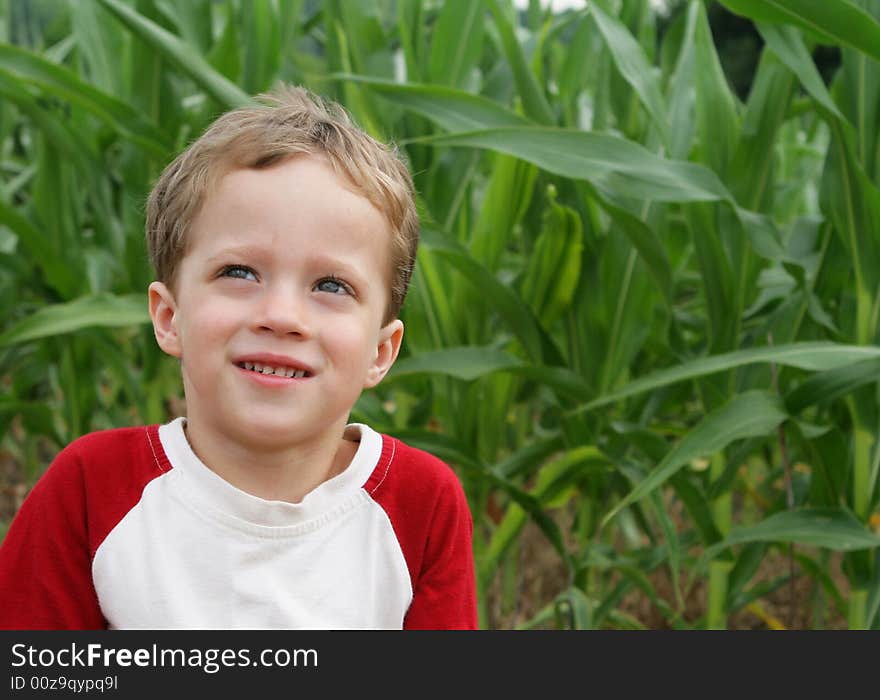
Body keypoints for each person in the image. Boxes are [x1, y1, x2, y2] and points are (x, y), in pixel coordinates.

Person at [0, 85, 477, 630]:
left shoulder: (421, 505)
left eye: (331, 285)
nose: (281, 315)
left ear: (381, 350)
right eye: (239, 273)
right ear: (169, 317)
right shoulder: (90, 487)